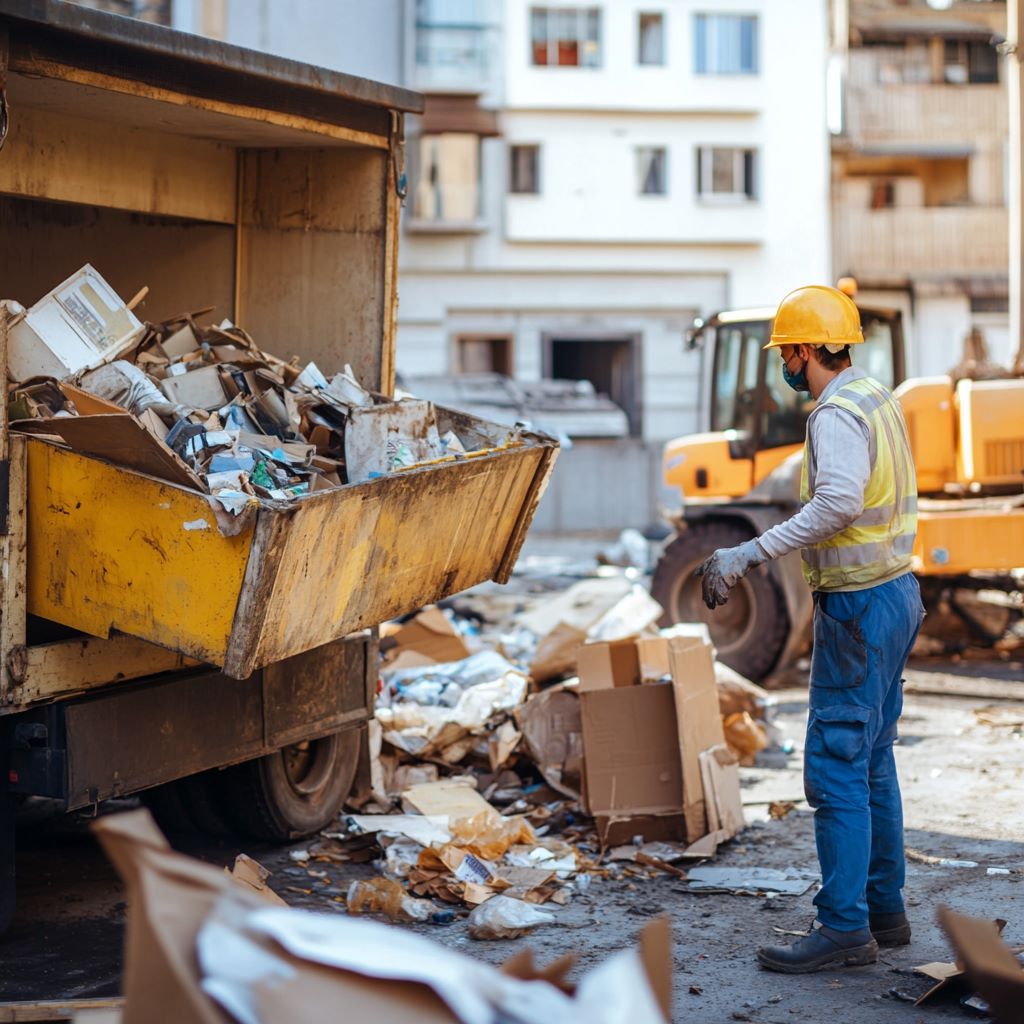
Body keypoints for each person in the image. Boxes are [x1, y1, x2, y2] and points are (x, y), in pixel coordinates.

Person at [697, 285, 925, 974]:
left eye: (785, 355)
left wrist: (748, 552)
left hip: (857, 609)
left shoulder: (833, 416)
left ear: (803, 351)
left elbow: (839, 501)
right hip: (896, 596)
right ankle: (885, 910)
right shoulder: (875, 397)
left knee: (834, 768)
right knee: (873, 759)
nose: (783, 368)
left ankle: (845, 928)